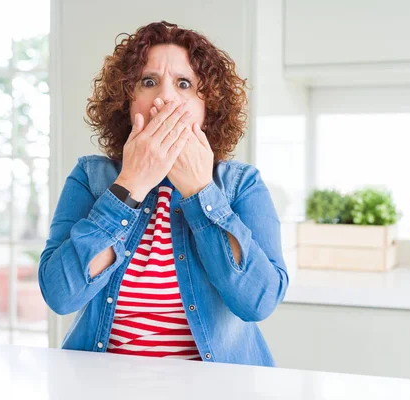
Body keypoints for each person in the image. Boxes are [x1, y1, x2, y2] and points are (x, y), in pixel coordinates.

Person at [38, 21, 288, 367]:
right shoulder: (90, 178)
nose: (165, 97)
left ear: (207, 106)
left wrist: (201, 192)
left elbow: (259, 302)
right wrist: (130, 185)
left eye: (183, 84)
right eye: (148, 81)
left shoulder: (240, 184)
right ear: (127, 101)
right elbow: (60, 295)